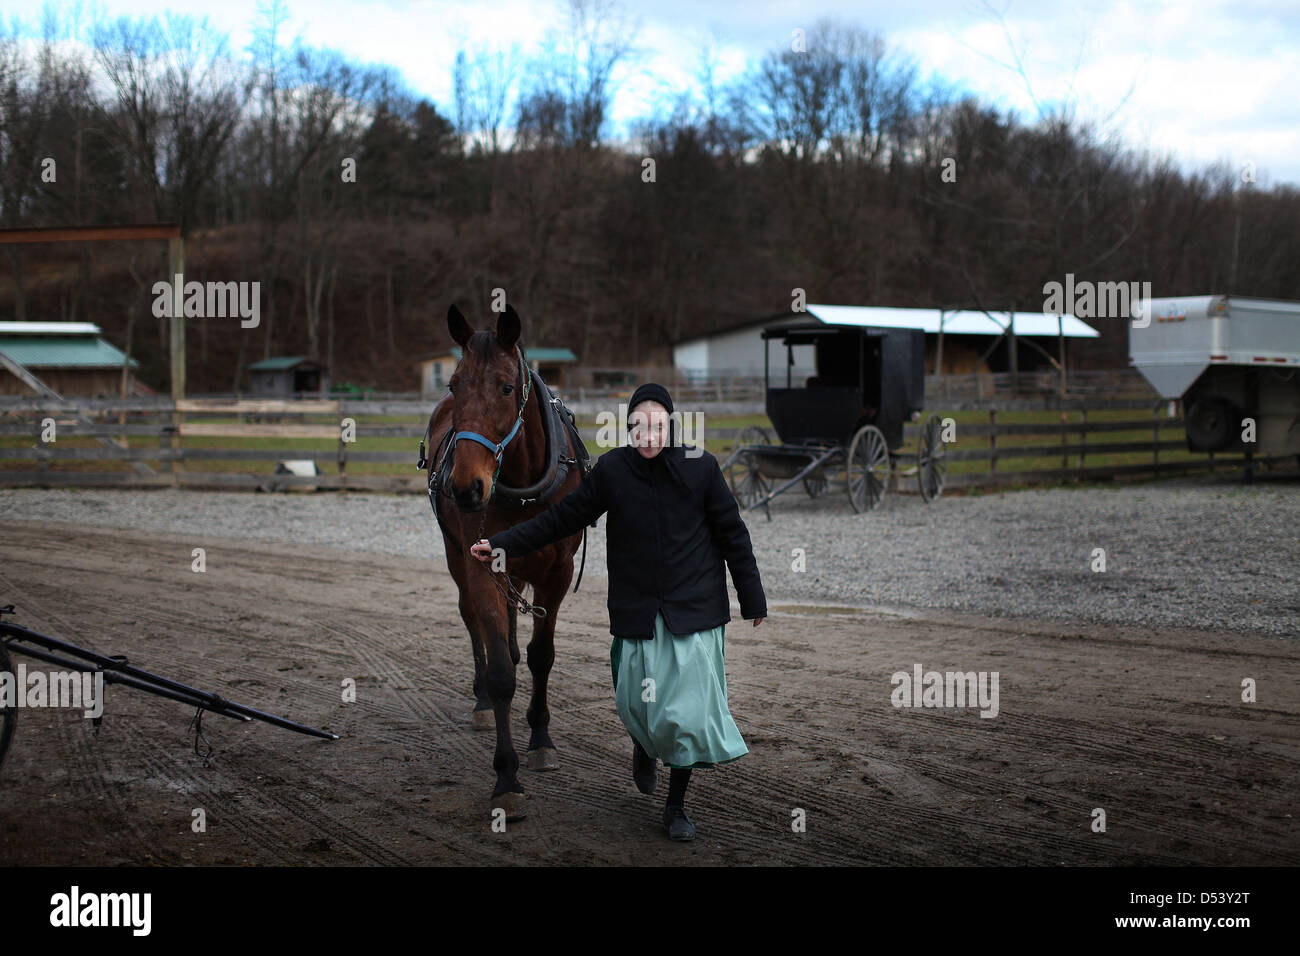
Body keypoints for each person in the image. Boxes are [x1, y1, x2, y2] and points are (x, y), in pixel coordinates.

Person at [469, 382, 766, 841]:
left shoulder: (701, 468)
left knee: (686, 716)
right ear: (629, 429)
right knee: (637, 705)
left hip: (694, 612)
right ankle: (645, 745)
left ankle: (676, 806)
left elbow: (733, 533)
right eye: (639, 426)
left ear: (670, 425)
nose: (648, 434)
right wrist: (502, 543)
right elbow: (560, 519)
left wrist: (752, 598)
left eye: (657, 425)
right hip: (637, 613)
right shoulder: (611, 471)